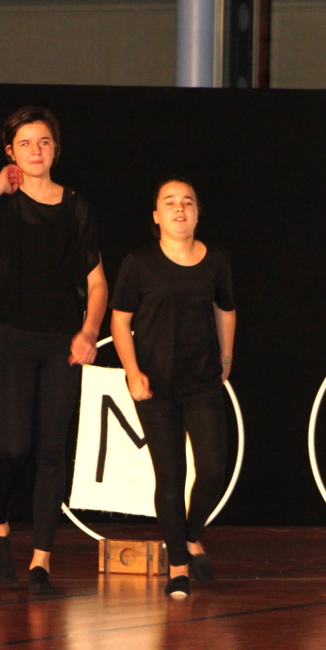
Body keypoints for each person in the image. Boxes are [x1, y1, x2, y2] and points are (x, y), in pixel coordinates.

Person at [0, 107, 107, 595]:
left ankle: (41, 562)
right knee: (15, 447)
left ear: (56, 149)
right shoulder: (3, 204)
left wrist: (89, 331)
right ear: (10, 152)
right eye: (26, 143)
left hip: (62, 340)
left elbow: (97, 283)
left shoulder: (77, 206)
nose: (36, 151)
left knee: (52, 450)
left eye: (44, 142)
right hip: (13, 336)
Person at [110, 178, 235, 600]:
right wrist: (132, 371)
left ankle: (191, 533)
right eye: (170, 202)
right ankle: (179, 564)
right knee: (171, 476)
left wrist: (226, 357)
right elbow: (120, 320)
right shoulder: (139, 262)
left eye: (187, 202)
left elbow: (226, 309)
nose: (179, 209)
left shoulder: (215, 259)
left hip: (201, 382)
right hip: (155, 386)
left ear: (197, 214)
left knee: (213, 470)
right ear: (156, 215)